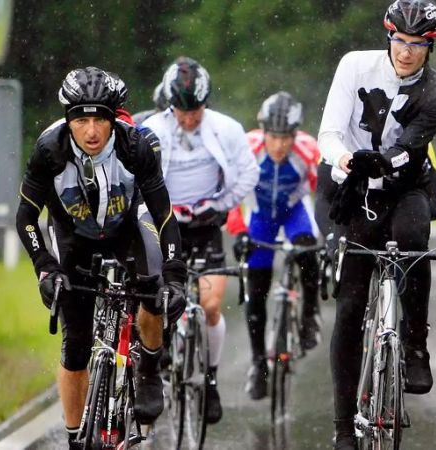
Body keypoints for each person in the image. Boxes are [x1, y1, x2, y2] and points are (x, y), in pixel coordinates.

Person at [16, 67, 187, 449]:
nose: (91, 131)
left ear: (114, 120)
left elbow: (163, 215)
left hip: (126, 230)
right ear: (68, 120)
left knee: (151, 286)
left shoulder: (136, 146)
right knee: (75, 342)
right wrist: (45, 267)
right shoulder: (49, 148)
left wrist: (175, 274)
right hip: (73, 237)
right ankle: (76, 438)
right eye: (81, 120)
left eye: (100, 120)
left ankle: (148, 367)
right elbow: (26, 217)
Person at [317, 1, 436, 448]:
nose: (407, 52)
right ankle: (343, 427)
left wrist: (385, 161)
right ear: (388, 37)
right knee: (350, 307)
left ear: (430, 46)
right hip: (354, 189)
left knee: (414, 238)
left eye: (418, 45)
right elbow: (329, 132)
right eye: (400, 41)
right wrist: (345, 160)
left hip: (405, 186)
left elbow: (412, 149)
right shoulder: (354, 66)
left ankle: (415, 344)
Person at [142, 56, 260, 424]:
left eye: (196, 110)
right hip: (164, 224)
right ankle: (157, 358)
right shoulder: (151, 129)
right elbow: (134, 180)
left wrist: (219, 204)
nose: (189, 117)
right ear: (169, 103)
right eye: (181, 110)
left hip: (206, 224)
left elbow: (248, 173)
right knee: (155, 298)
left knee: (210, 306)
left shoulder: (227, 129)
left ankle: (209, 381)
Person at [224, 91, 322, 400]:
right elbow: (232, 194)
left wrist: (325, 237)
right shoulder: (248, 149)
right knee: (257, 288)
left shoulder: (308, 152)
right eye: (273, 136)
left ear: (296, 134)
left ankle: (309, 315)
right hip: (261, 214)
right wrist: (239, 232)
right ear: (263, 131)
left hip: (294, 210)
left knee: (308, 249)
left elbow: (322, 197)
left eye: (286, 138)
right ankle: (257, 363)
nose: (279, 145)